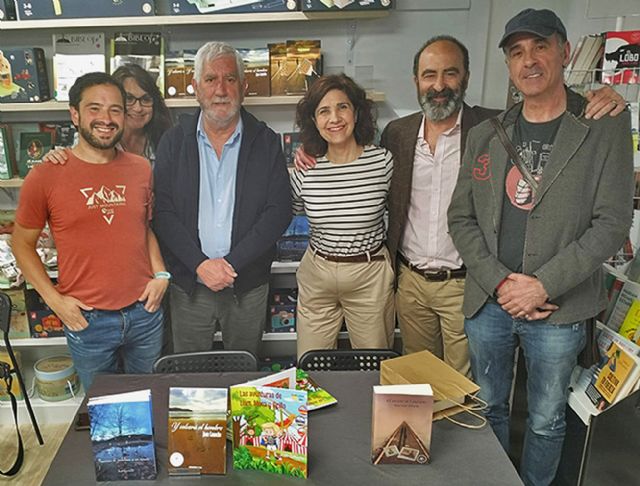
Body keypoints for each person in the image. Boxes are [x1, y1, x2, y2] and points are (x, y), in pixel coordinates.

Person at [296, 37, 623, 377]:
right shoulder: (397, 134)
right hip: (410, 283)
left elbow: (545, 106)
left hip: (467, 284)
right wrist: (307, 149)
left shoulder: (493, 129)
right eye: (429, 75)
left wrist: (600, 97)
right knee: (416, 380)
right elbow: (347, 158)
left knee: (466, 383)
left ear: (465, 77)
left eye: (450, 73)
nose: (439, 85)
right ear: (416, 81)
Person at [447, 9, 633, 486]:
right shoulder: (488, 133)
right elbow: (460, 218)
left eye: (540, 47)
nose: (528, 60)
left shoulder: (603, 123)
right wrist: (502, 282)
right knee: (485, 411)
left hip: (559, 306)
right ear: (509, 65)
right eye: (517, 52)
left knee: (548, 421)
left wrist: (541, 285)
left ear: (565, 51)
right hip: (490, 302)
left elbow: (611, 223)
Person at [11, 72, 169, 391]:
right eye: (94, 108)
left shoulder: (140, 168)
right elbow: (21, 245)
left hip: (144, 313)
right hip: (87, 319)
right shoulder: (45, 175)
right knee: (103, 410)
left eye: (115, 110)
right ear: (75, 114)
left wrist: (161, 275)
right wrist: (55, 301)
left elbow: (143, 228)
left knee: (150, 400)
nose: (106, 119)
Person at [152, 41, 291, 357]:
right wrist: (200, 264)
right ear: (195, 88)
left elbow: (278, 211)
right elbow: (163, 211)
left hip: (246, 284)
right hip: (190, 283)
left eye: (230, 79)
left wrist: (230, 264)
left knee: (244, 371)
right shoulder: (174, 141)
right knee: (188, 370)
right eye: (210, 79)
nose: (221, 89)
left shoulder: (266, 141)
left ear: (243, 87)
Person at [291, 74, 394, 359]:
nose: (334, 118)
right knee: (310, 366)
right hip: (318, 273)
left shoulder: (383, 162)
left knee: (374, 366)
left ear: (357, 112)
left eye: (342, 107)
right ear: (313, 120)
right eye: (323, 111)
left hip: (369, 274)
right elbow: (295, 210)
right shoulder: (305, 169)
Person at [44, 63, 173, 166]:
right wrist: (55, 157)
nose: (138, 108)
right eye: (129, 99)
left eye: (145, 99)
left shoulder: (167, 139)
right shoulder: (94, 137)